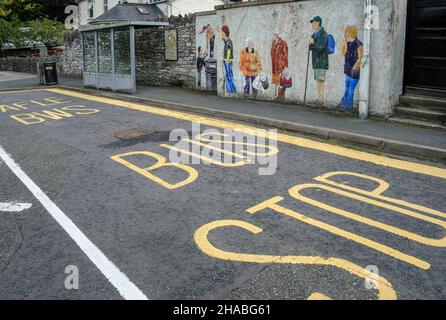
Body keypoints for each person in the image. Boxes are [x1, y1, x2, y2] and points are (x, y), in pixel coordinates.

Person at [340, 26, 363, 112]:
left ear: (352, 34)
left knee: (351, 90)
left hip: (354, 71)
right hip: (348, 70)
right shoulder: (347, 44)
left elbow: (360, 58)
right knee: (346, 89)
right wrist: (344, 46)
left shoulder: (358, 44)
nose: (346, 36)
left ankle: (349, 107)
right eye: (346, 34)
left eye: (348, 34)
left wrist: (355, 68)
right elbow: (344, 54)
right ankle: (344, 105)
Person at [309, 16, 329, 105]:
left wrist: (313, 42)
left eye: (313, 22)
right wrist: (310, 43)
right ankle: (319, 97)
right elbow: (312, 48)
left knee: (321, 80)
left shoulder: (323, 34)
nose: (312, 24)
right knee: (318, 81)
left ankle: (321, 99)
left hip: (321, 62)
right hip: (316, 62)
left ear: (318, 23)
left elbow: (320, 47)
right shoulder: (315, 34)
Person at [271, 32, 289, 99]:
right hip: (274, 64)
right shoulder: (273, 42)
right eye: (274, 34)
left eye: (276, 34)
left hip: (281, 64)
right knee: (277, 80)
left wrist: (285, 66)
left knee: (281, 80)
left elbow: (285, 55)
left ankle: (280, 96)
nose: (275, 36)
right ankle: (278, 95)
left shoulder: (283, 43)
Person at [220, 25, 237, 95]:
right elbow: (224, 39)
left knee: (229, 75)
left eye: (221, 32)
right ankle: (230, 90)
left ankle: (232, 90)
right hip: (227, 61)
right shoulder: (226, 41)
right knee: (228, 75)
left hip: (228, 61)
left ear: (224, 32)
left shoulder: (229, 42)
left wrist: (226, 59)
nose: (221, 33)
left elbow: (229, 51)